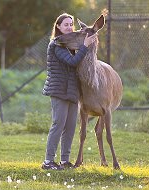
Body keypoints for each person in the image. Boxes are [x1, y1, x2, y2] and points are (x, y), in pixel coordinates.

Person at [42, 13, 97, 170]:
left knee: (71, 126)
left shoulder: (71, 45)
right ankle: (48, 162)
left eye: (71, 24)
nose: (69, 27)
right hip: (59, 90)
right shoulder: (56, 44)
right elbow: (72, 62)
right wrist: (85, 45)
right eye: (65, 24)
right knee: (58, 124)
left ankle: (64, 161)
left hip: (72, 91)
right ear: (58, 27)